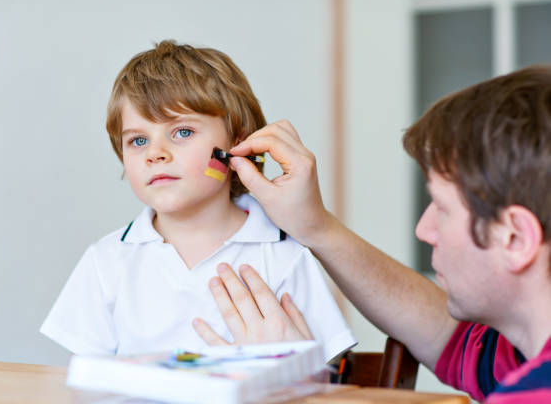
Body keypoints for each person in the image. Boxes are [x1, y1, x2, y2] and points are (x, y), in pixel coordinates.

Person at [191, 66, 551, 403]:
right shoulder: (518, 354)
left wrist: (289, 390)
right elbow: (450, 338)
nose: (424, 230)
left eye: (442, 208)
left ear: (516, 239)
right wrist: (315, 225)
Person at [40, 40, 355, 362]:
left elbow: (323, 376)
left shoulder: (283, 254)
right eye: (138, 140)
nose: (155, 153)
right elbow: (85, 383)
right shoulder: (106, 261)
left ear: (236, 143)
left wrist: (281, 366)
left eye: (183, 132)